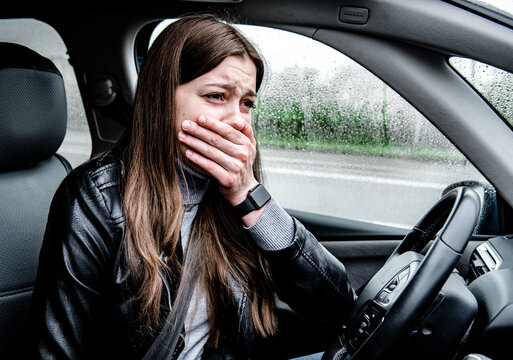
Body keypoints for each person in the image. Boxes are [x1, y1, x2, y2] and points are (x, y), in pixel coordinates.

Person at [31, 15, 356, 359]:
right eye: (216, 96)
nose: (238, 121)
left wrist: (249, 196)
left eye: (247, 103)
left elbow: (337, 307)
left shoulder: (232, 195)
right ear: (162, 100)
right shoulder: (96, 199)